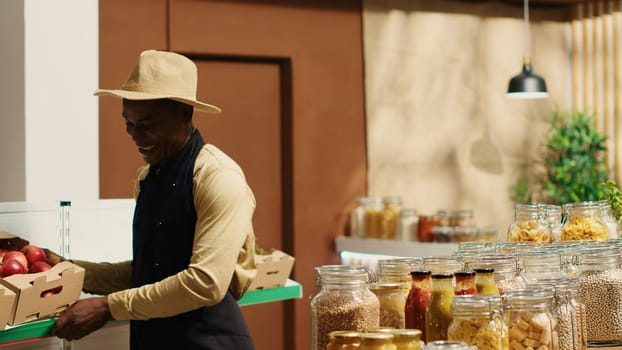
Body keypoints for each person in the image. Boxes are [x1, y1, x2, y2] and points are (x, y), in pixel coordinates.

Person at [53, 49, 257, 350]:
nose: (135, 135)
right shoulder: (147, 179)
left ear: (184, 114)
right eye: (128, 123)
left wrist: (107, 307)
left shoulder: (218, 176)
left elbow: (206, 283)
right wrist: (69, 269)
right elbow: (149, 271)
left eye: (148, 124)